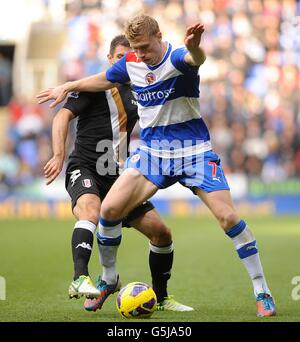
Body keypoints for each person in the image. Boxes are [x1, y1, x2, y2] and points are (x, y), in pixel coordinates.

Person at [37, 15, 276, 317]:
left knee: (228, 218)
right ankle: (109, 279)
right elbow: (104, 78)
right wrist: (68, 85)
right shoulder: (132, 62)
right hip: (153, 154)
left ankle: (262, 290)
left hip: (193, 152)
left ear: (160, 37)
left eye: (146, 48)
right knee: (109, 211)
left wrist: (196, 46)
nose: (141, 55)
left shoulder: (177, 57)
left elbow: (195, 58)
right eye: (136, 49)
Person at [43, 34, 193, 312]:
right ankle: (80, 278)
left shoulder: (141, 88)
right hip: (86, 167)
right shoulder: (95, 86)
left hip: (120, 176)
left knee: (161, 233)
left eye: (131, 57)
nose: (127, 62)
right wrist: (59, 154)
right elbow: (62, 116)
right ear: (110, 59)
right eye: (121, 57)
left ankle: (160, 297)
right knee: (91, 211)